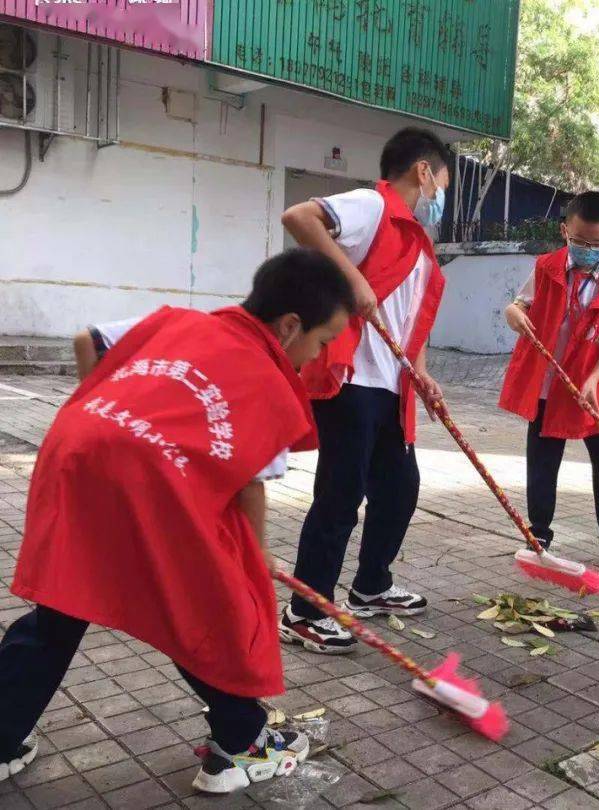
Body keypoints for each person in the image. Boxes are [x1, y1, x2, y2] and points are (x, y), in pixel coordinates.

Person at [0, 249, 355, 793]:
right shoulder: (265, 379)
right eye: (323, 340)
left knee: (65, 605)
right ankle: (242, 743)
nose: (319, 354)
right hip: (146, 484)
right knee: (205, 612)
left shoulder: (180, 322)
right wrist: (257, 560)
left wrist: (116, 423)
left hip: (76, 450)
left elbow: (87, 342)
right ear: (289, 327)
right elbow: (247, 484)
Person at [277, 127, 450, 654]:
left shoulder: (418, 244)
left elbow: (407, 321)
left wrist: (421, 370)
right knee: (340, 496)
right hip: (351, 380)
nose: (442, 195)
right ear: (424, 172)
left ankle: (371, 583)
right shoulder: (372, 207)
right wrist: (351, 278)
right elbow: (299, 218)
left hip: (391, 386)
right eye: (443, 182)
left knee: (400, 488)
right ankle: (305, 610)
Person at [499, 191, 599, 571]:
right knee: (543, 463)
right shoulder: (546, 268)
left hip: (592, 389)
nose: (588, 250)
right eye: (579, 241)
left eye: (597, 243)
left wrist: (594, 379)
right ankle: (539, 534)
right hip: (549, 384)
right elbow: (519, 304)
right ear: (564, 231)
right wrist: (512, 312)